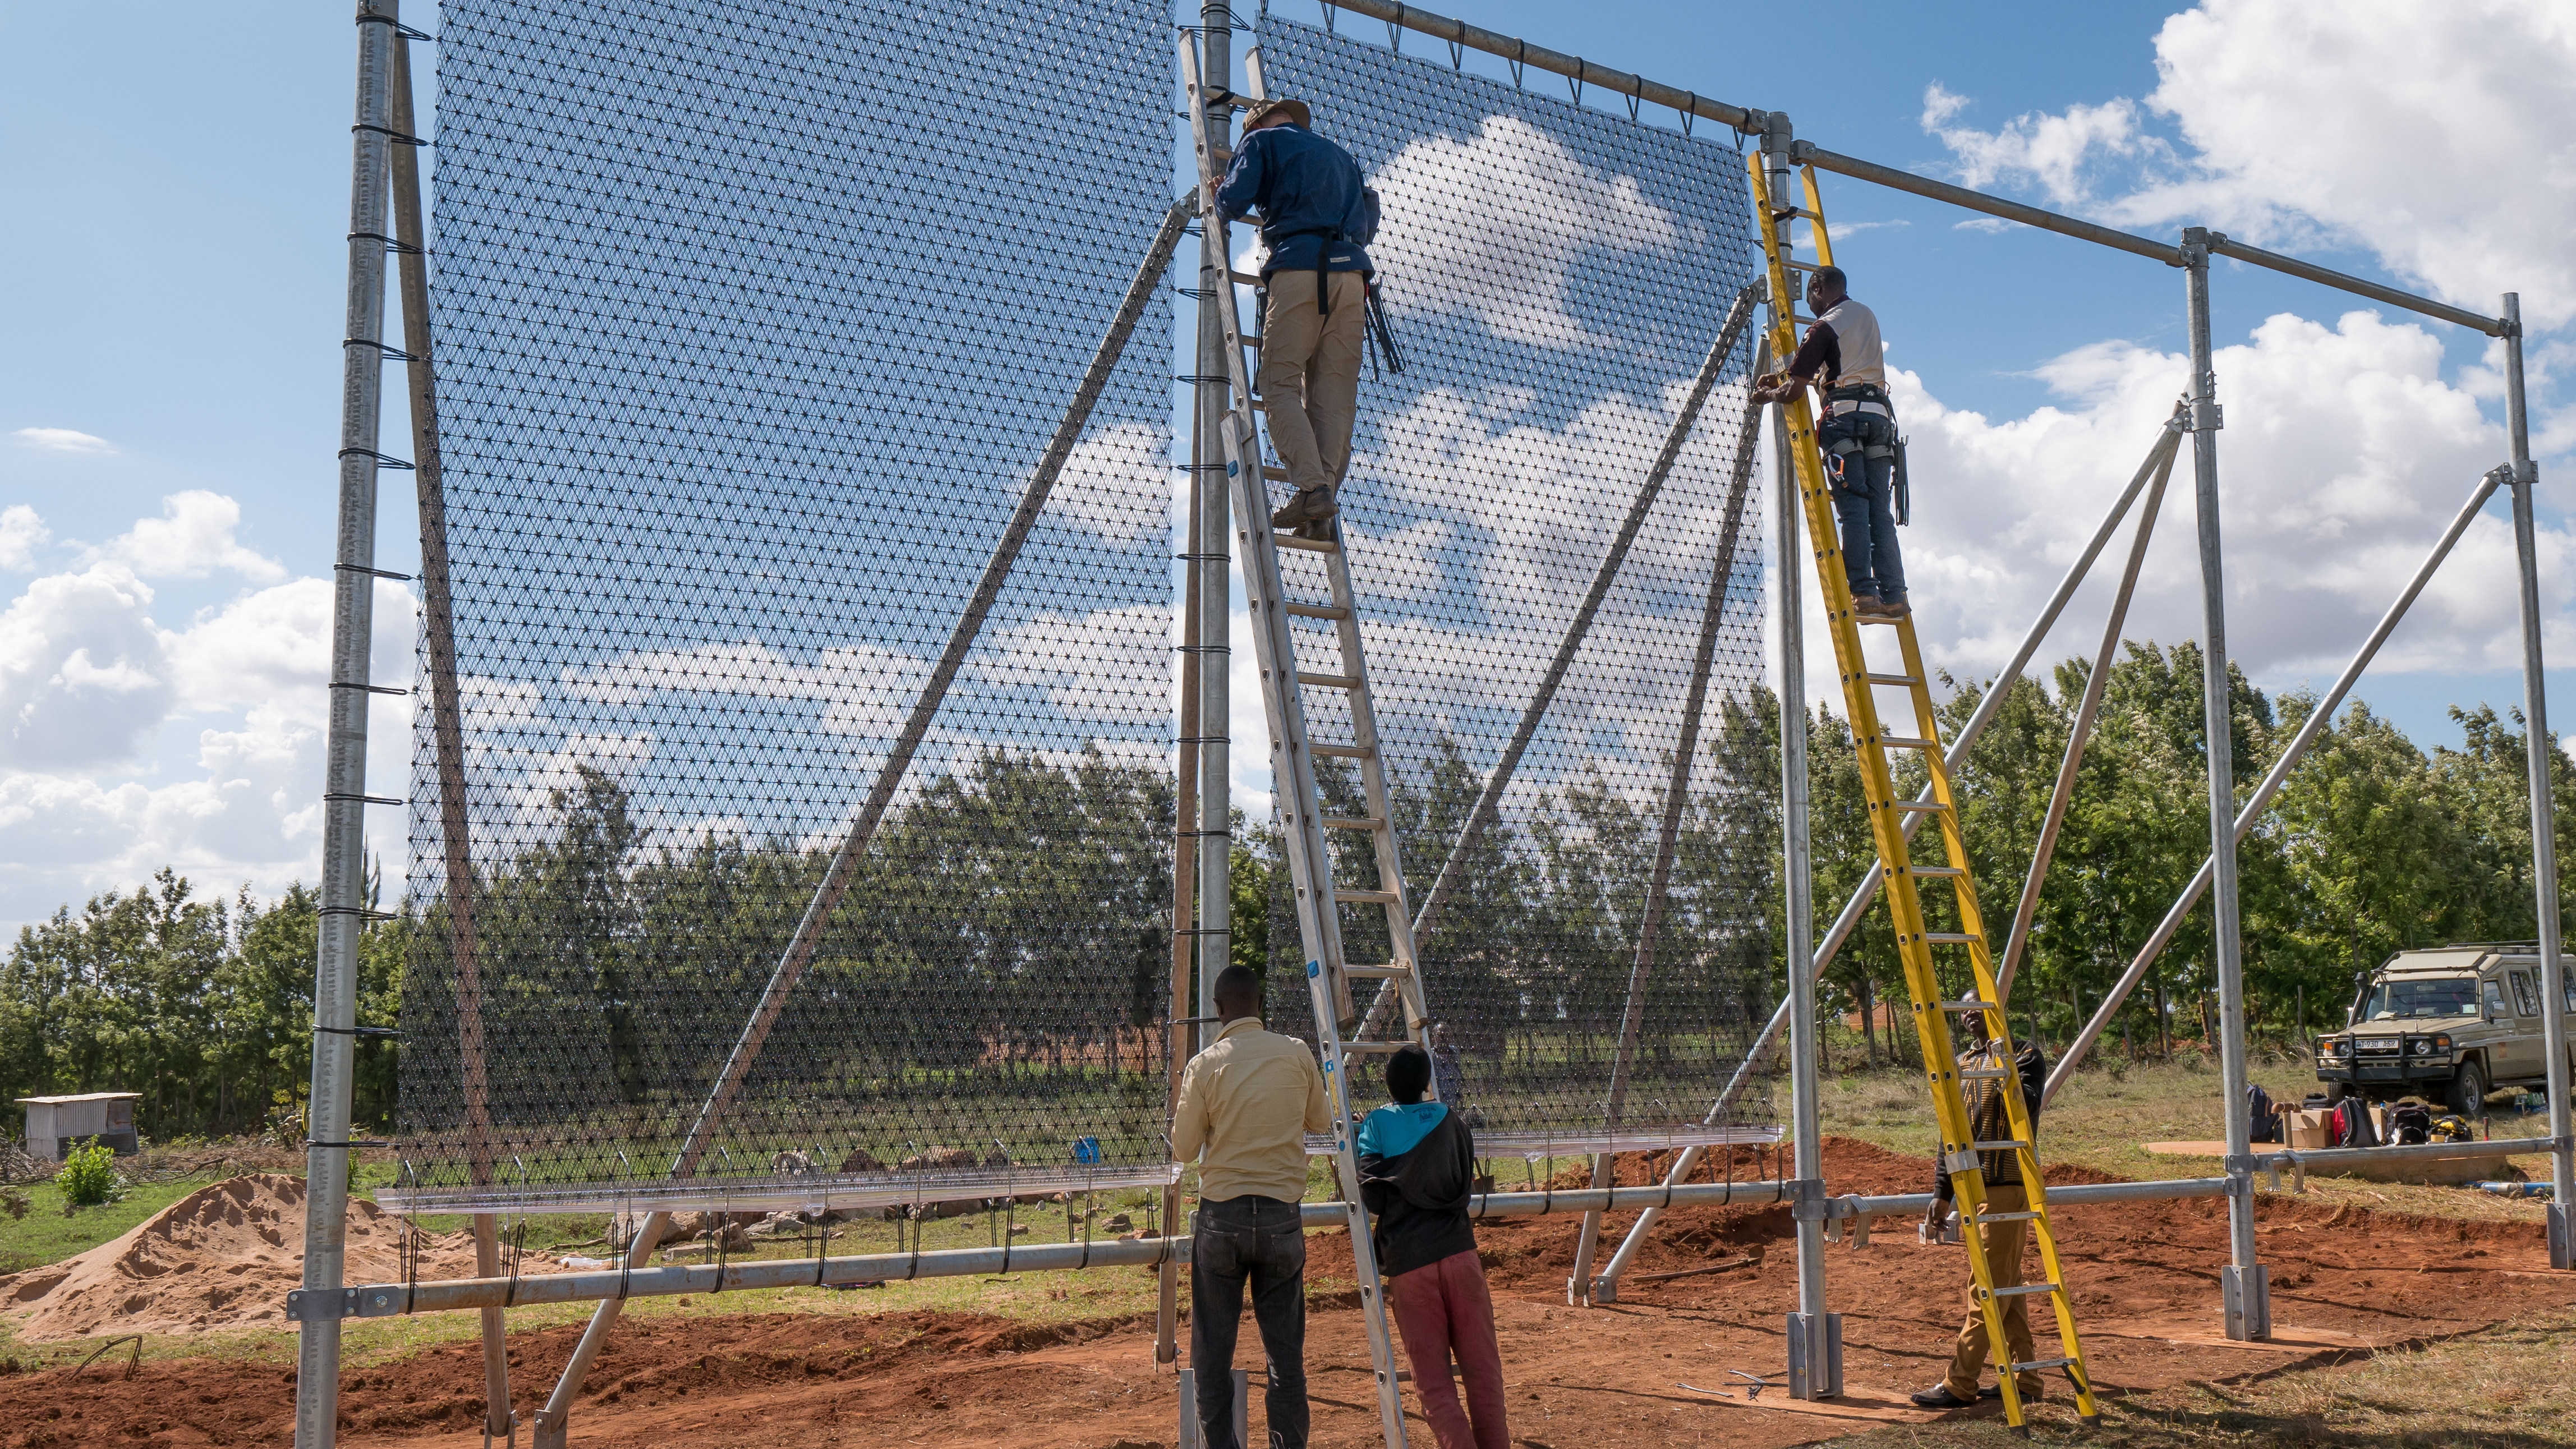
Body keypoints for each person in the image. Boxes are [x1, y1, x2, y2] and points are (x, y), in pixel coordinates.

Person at [1172, 964, 1334, 1449]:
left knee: (1212, 1355)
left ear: (1218, 1010)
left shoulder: (1204, 1064)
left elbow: (1182, 1149)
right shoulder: (1297, 1053)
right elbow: (1321, 1120)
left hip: (1221, 1217)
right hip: (1283, 1216)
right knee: (1286, 1359)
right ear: (1261, 1003)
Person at [1214, 96, 1381, 540]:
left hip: (1299, 268)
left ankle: (1312, 487)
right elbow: (1369, 212)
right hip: (1352, 279)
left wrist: (1221, 191)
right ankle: (1320, 503)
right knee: (1334, 396)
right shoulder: (1342, 157)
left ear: (1255, 126)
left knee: (1278, 383)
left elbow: (1233, 198)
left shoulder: (1262, 142)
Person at [1358, 1045, 1510, 1449]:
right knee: (1483, 1370)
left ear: (1387, 1083)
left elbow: (1373, 1198)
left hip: (1411, 1266)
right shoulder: (1452, 1119)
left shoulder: (1375, 1125)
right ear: (1428, 1083)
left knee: (1435, 1383)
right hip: (1461, 1255)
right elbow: (1463, 1178)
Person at [1751, 265, 1908, 619]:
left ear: (1818, 288)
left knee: (1854, 508)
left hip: (1845, 421)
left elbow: (1793, 392)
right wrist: (1782, 376)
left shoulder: (1822, 328)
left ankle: (1864, 594)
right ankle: (1895, 595)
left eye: (1811, 296)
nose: (1811, 304)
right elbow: (1840, 366)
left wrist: (1769, 394)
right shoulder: (1865, 315)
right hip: (1879, 419)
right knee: (1879, 512)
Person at [1911, 1023, 2053, 1410]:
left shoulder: (2023, 1055)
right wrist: (1943, 1193)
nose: (1972, 1015)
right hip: (1971, 1186)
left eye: (1979, 1006)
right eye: (1967, 1009)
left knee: (1986, 1285)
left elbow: (2027, 1103)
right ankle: (2028, 1379)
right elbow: (1950, 1131)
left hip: (2007, 1183)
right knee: (2007, 1283)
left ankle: (1960, 1381)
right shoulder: (1963, 1063)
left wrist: (2000, 1059)